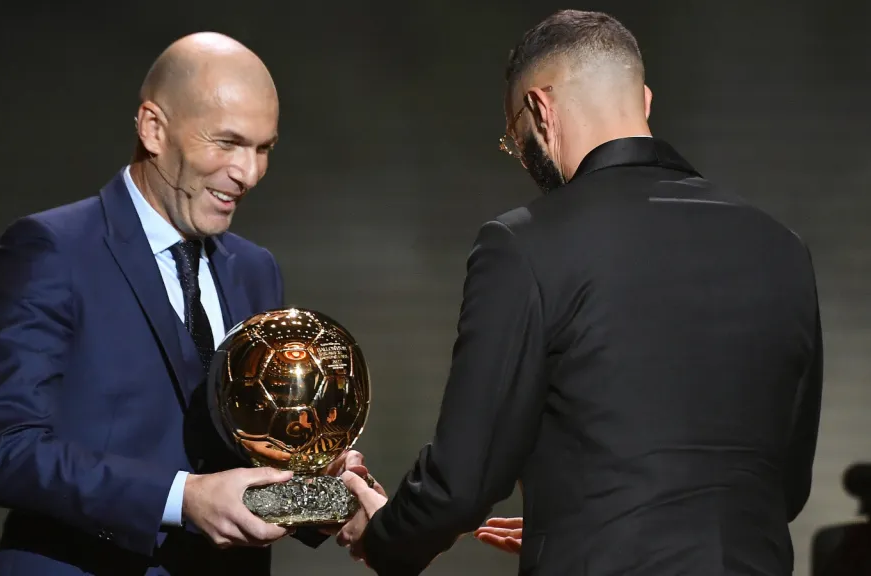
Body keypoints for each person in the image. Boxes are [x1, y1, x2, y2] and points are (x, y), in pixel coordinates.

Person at [338, 9, 822, 576]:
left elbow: (463, 482)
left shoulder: (524, 245)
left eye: (512, 139)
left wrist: (387, 536)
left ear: (540, 112)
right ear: (642, 102)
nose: (520, 155)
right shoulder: (781, 246)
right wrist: (572, 522)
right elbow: (784, 486)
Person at [0, 32, 366, 576]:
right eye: (226, 143)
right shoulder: (52, 249)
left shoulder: (254, 269)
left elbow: (242, 463)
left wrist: (318, 494)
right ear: (154, 128)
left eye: (263, 148)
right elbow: (0, 450)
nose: (247, 173)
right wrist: (181, 498)